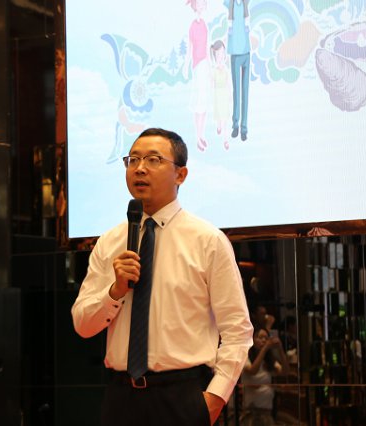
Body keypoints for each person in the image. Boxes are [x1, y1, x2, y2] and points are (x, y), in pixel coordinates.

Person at [71, 128, 253, 425]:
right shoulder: (110, 241)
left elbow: (237, 330)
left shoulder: (208, 240)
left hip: (182, 397)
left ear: (181, 174)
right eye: (133, 160)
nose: (140, 168)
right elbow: (83, 324)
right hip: (120, 398)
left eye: (153, 159)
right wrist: (115, 291)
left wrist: (215, 398)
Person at [241, 327, 290, 426]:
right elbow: (253, 371)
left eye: (266, 338)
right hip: (251, 411)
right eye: (260, 337)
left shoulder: (269, 360)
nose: (263, 340)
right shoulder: (245, 356)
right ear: (252, 340)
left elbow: (285, 372)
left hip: (267, 411)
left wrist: (280, 349)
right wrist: (265, 349)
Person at [184, 0, 211, 152]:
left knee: (204, 101)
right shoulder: (192, 25)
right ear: (195, 5)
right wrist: (185, 65)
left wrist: (210, 67)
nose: (202, 5)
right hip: (197, 65)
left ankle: (201, 135)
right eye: (200, 2)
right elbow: (190, 48)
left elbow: (207, 47)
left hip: (205, 64)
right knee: (199, 101)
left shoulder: (205, 24)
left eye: (203, 3)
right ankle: (197, 136)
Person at [227, 0, 250, 141]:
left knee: (245, 92)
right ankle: (235, 124)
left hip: (246, 52)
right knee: (237, 91)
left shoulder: (246, 3)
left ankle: (244, 128)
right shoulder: (230, 4)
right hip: (235, 53)